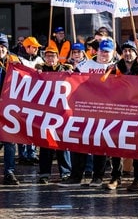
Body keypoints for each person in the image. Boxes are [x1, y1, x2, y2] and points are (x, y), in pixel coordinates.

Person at [59, 38, 118, 188]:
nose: (103, 54)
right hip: (83, 110)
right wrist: (69, 73)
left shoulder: (116, 67)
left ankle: (97, 177)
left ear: (112, 53)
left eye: (107, 52)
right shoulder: (86, 65)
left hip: (105, 112)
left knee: (99, 144)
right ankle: (76, 176)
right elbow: (73, 78)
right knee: (79, 141)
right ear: (96, 51)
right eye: (101, 51)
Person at [106, 40, 138, 192]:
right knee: (115, 145)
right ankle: (116, 177)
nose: (128, 53)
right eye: (125, 51)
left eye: (131, 51)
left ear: (136, 53)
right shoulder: (117, 67)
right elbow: (103, 87)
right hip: (119, 111)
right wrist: (108, 71)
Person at [35, 46, 73, 184]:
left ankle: (66, 172)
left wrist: (71, 74)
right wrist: (37, 72)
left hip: (61, 112)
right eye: (48, 56)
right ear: (45, 57)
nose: (50, 59)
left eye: (53, 56)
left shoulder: (64, 69)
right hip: (45, 112)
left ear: (58, 58)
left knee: (62, 143)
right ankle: (44, 173)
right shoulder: (40, 69)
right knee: (45, 143)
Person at [17, 36, 44, 165]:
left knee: (32, 125)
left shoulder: (39, 60)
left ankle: (32, 153)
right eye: (35, 47)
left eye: (37, 47)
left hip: (36, 97)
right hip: (22, 97)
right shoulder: (18, 60)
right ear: (27, 47)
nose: (37, 49)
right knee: (22, 125)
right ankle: (22, 154)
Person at [0, 33, 21, 185]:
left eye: (3, 46)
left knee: (9, 141)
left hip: (9, 107)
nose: (0, 49)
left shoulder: (15, 60)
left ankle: (9, 172)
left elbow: (27, 77)